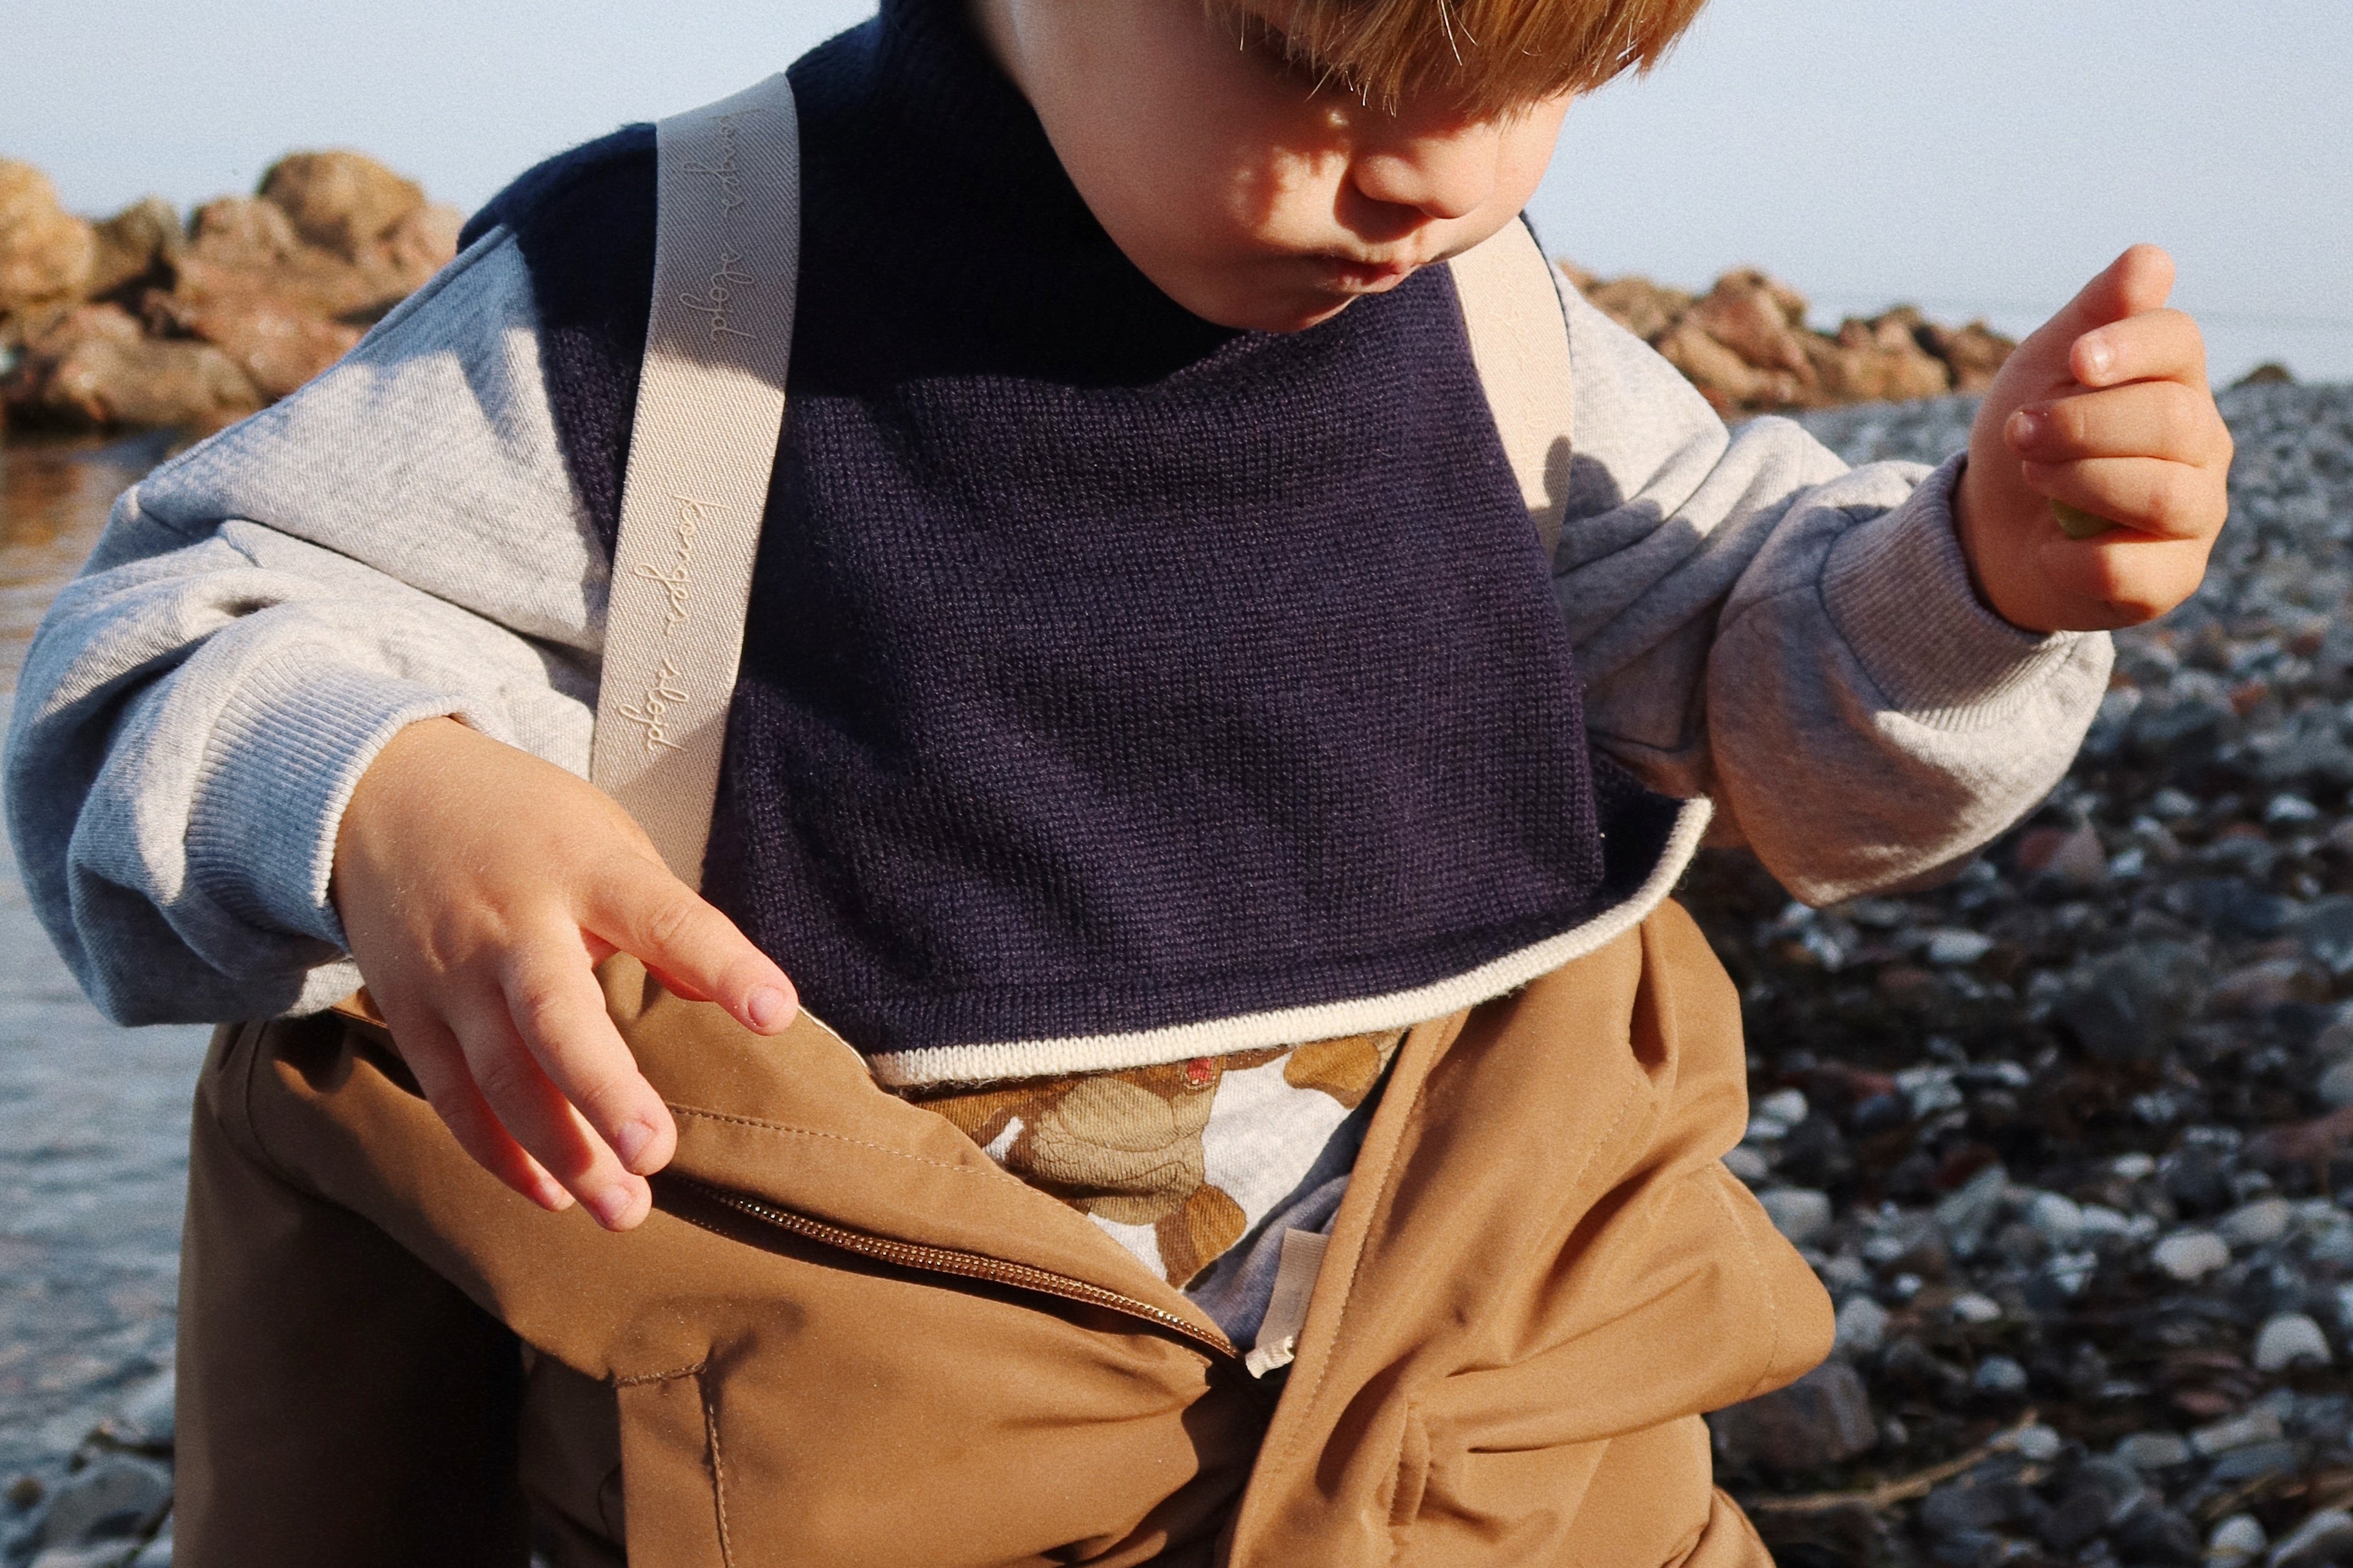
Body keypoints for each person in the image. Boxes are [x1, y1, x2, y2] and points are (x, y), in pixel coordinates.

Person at [8, 0, 2233, 1561]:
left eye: (1537, 79)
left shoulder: (1493, 322)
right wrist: (396, 797)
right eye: (1315, 60)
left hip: (1481, 1405)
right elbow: (162, 640)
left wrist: (1976, 584)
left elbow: (1776, 699)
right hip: (844, 1437)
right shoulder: (651, 308)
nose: (1431, 170)